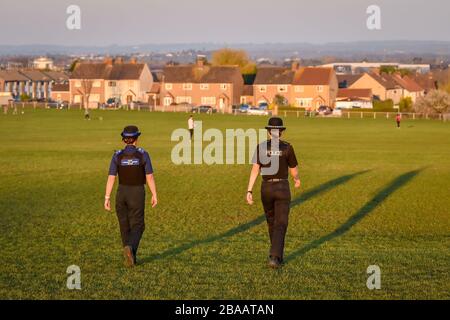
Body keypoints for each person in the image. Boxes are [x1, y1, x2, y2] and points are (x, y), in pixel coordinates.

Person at [246, 117, 301, 269]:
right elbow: (294, 170)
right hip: (282, 187)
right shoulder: (287, 147)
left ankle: (277, 255)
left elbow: (255, 169)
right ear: (281, 132)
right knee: (281, 223)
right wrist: (296, 179)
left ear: (269, 132)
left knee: (272, 222)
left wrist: (249, 190)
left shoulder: (261, 147)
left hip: (266, 188)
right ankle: (274, 256)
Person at [104, 125, 158, 267]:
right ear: (136, 139)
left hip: (121, 193)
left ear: (124, 139)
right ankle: (130, 250)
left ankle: (130, 256)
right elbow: (150, 176)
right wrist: (154, 194)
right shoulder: (143, 154)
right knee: (138, 225)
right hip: (137, 192)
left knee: (124, 226)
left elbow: (111, 177)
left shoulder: (117, 155)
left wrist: (107, 197)